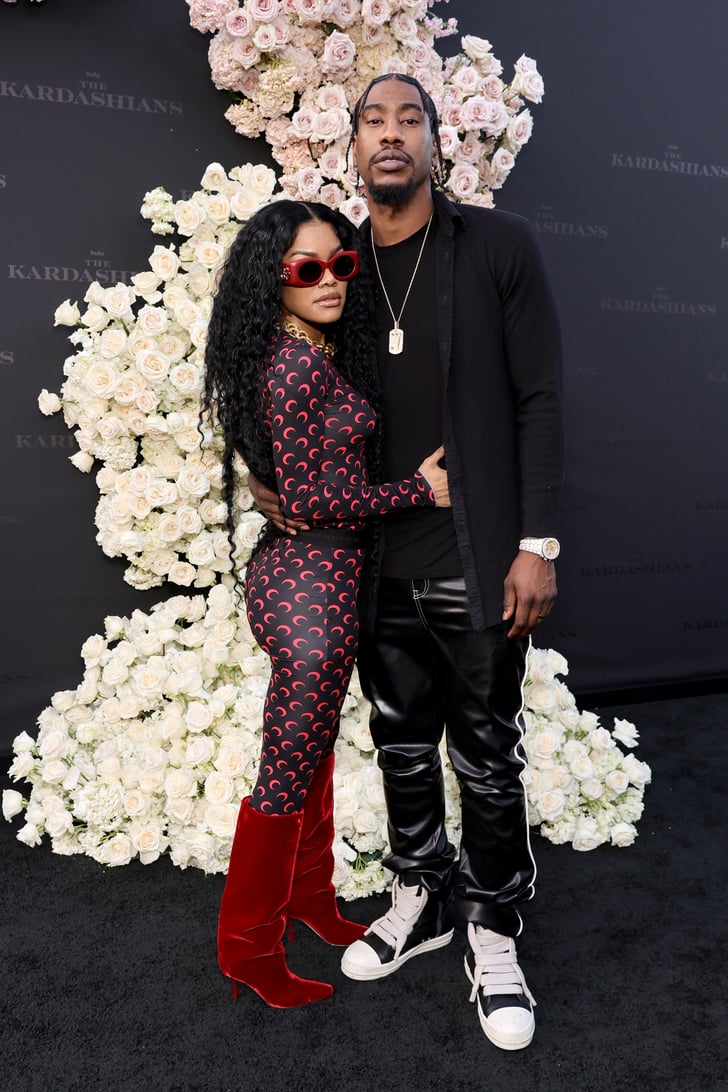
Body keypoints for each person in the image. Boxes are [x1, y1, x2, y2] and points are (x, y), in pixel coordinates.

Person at [249, 75, 564, 1048]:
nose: (390, 136)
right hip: (373, 557)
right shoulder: (334, 264)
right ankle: (422, 897)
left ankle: (493, 923)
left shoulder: (495, 247)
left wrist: (534, 544)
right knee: (398, 744)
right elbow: (275, 371)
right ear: (350, 147)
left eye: (408, 120)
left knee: (484, 752)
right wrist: (263, 476)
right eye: (372, 122)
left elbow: (540, 397)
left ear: (436, 140)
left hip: (473, 556)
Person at [201, 198, 450, 1010]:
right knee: (284, 772)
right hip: (309, 591)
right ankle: (247, 947)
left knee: (307, 756)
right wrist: (423, 488)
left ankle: (310, 902)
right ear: (272, 282)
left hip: (317, 580)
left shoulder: (303, 350)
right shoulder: (298, 363)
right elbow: (312, 495)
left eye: (341, 263)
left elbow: (292, 477)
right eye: (307, 269)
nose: (331, 280)